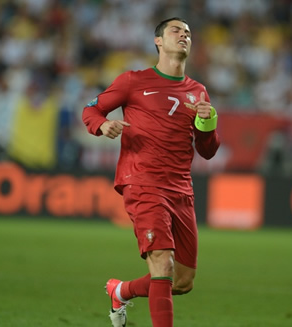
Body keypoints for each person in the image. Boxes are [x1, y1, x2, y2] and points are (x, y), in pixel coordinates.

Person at [82, 17, 220, 327]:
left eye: (188, 32)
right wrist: (102, 125)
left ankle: (121, 290)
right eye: (176, 30)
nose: (184, 35)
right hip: (142, 181)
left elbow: (208, 150)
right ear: (158, 41)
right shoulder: (133, 81)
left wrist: (208, 124)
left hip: (181, 189)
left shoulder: (198, 92)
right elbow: (91, 109)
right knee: (163, 263)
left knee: (182, 281)